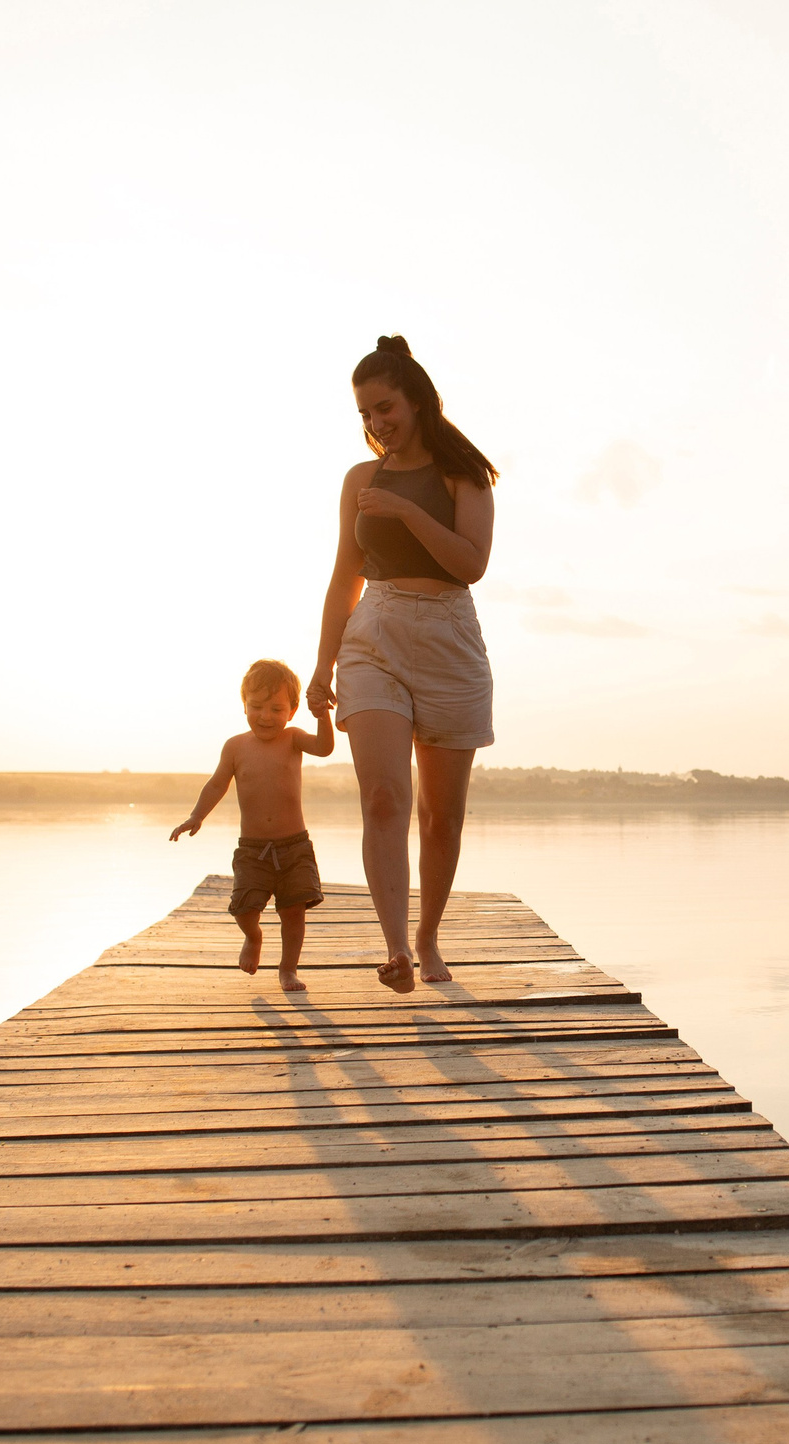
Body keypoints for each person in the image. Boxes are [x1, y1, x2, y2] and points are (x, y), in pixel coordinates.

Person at [307, 335, 497, 993]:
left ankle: (427, 935)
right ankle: (394, 949)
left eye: (384, 408)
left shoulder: (464, 477)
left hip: (448, 638)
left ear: (416, 400)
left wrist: (408, 511)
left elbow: (471, 564)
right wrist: (323, 665)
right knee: (383, 798)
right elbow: (343, 578)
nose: (375, 424)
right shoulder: (360, 481)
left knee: (442, 816)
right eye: (364, 414)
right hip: (374, 638)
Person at [170, 658, 336, 991]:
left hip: (294, 847)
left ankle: (288, 970)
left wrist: (323, 717)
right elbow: (217, 784)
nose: (265, 716)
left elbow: (324, 747)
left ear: (291, 712)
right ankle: (254, 936)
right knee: (244, 908)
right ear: (244, 705)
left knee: (293, 914)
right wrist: (197, 815)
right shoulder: (235, 747)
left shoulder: (293, 738)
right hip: (253, 850)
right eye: (256, 706)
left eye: (276, 709)